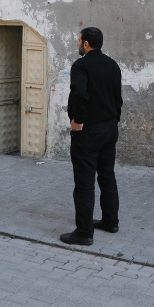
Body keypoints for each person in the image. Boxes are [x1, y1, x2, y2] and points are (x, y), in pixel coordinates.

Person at [60, 27, 123, 246]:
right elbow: (118, 97)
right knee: (107, 175)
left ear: (86, 44)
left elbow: (80, 94)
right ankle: (110, 221)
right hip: (109, 128)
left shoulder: (81, 65)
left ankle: (84, 233)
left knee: (84, 182)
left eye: (79, 40)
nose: (78, 44)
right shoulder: (112, 65)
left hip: (89, 131)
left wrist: (77, 120)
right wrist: (114, 119)